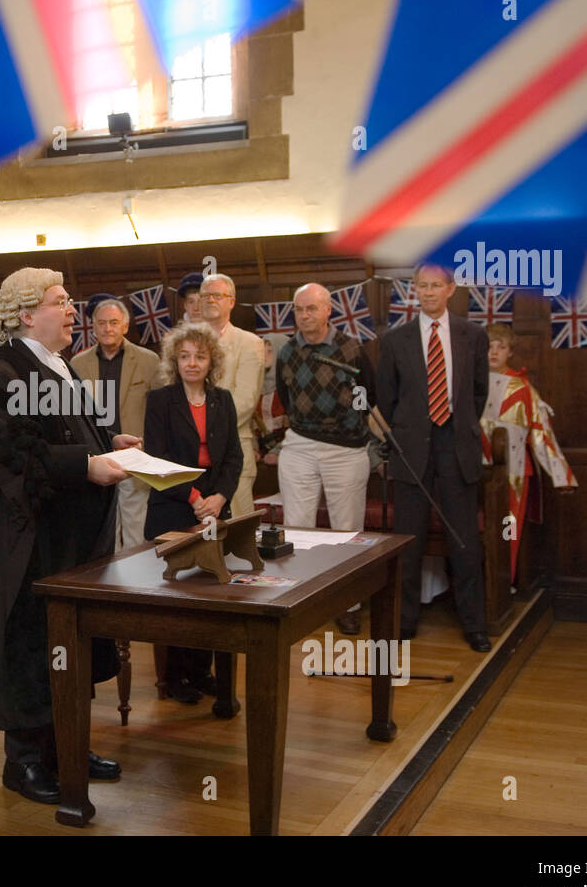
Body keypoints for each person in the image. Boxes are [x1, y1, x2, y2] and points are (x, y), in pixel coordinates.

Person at [0, 267, 138, 805]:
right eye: (61, 301)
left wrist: (110, 441)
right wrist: (88, 466)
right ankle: (25, 763)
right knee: (31, 646)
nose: (72, 310)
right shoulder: (2, 373)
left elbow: (68, 434)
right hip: (26, 545)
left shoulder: (59, 365)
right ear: (25, 314)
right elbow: (17, 457)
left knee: (70, 645)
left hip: (70, 542)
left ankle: (68, 749)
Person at [376, 263, 490, 652]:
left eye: (434, 286)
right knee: (409, 540)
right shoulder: (395, 339)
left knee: (465, 542)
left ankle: (474, 624)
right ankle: (404, 622)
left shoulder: (473, 335)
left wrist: (459, 426)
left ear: (450, 289)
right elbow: (386, 400)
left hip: (457, 447)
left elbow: (478, 393)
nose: (427, 292)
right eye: (420, 286)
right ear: (414, 290)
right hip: (412, 451)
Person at [143, 323, 243, 704]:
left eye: (199, 356)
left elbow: (234, 456)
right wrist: (196, 497)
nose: (191, 363)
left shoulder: (224, 400)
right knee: (174, 598)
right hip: (172, 507)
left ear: (211, 361)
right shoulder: (159, 400)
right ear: (174, 360)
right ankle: (173, 679)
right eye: (184, 356)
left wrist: (218, 497)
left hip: (214, 510)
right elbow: (155, 460)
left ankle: (202, 673)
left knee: (209, 597)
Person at [274, 283, 379, 635]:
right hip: (301, 445)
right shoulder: (287, 352)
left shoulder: (351, 348)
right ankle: (299, 599)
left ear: (328, 310)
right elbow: (285, 400)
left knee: (346, 531)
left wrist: (349, 428)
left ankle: (347, 604)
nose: (305, 316)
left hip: (345, 450)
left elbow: (370, 395)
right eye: (299, 309)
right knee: (298, 527)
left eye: (312, 309)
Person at [482, 323, 577, 583]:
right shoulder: (469, 383)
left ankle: (503, 583)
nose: (494, 352)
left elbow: (542, 434)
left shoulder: (523, 389)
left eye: (501, 347)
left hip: (513, 472)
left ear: (510, 352)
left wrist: (561, 475)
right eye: (489, 346)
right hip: (475, 470)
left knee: (507, 528)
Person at [71, 295, 162, 550]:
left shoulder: (148, 361)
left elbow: (160, 413)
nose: (107, 328)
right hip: (98, 458)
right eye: (101, 323)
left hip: (135, 456)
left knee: (136, 534)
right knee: (105, 535)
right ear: (93, 327)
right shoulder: (77, 364)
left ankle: (137, 586)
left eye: (114, 322)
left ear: (125, 325)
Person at [198, 273, 264, 516]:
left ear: (232, 302)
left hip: (231, 452)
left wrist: (199, 427)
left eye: (218, 295)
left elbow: (245, 402)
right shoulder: (184, 341)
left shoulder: (249, 343)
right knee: (196, 537)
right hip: (190, 457)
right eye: (205, 296)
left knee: (236, 535)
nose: (210, 300)